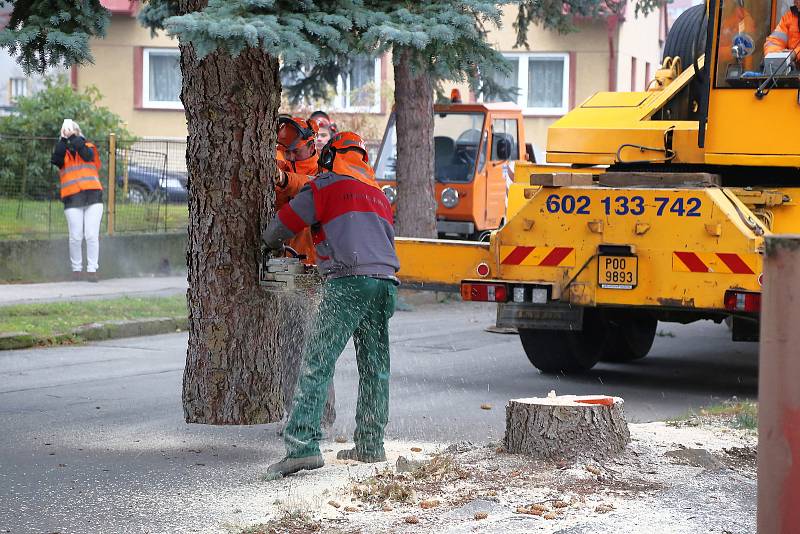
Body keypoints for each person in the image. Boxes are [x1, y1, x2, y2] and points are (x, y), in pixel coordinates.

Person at [263, 131, 400, 478]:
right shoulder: (378, 195)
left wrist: (266, 244)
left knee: (317, 360)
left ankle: (302, 446)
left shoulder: (324, 186)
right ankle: (371, 443)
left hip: (349, 279)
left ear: (328, 158)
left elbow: (283, 226)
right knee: (375, 364)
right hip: (384, 282)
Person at [274, 116, 337, 432]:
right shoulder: (282, 168)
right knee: (285, 343)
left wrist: (284, 180)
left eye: (294, 152)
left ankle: (321, 415)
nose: (289, 158)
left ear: (311, 144)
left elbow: (311, 189)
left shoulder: (323, 171)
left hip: (312, 267)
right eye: (285, 152)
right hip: (280, 264)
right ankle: (292, 413)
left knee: (314, 342)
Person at [51, 119, 103, 282]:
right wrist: (63, 139)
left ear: (78, 132)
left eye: (72, 131)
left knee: (91, 235)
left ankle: (92, 269)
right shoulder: (62, 150)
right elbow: (56, 160)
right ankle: (76, 270)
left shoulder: (88, 147)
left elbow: (86, 156)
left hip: (93, 197)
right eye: (66, 130)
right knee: (75, 236)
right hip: (72, 198)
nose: (68, 132)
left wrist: (74, 137)